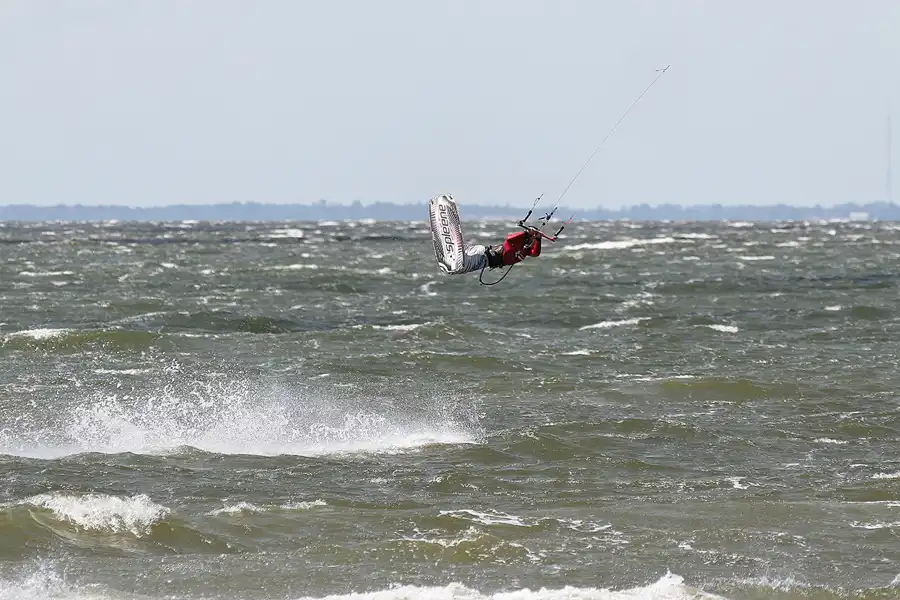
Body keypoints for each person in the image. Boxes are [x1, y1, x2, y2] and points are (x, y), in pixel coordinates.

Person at [456, 229, 542, 274]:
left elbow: (535, 253)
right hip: (482, 254)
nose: (532, 241)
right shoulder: (513, 243)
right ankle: (453, 246)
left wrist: (538, 239)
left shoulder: (526, 251)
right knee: (462, 259)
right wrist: (526, 233)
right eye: (532, 238)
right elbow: (509, 238)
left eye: (533, 239)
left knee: (459, 269)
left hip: (485, 263)